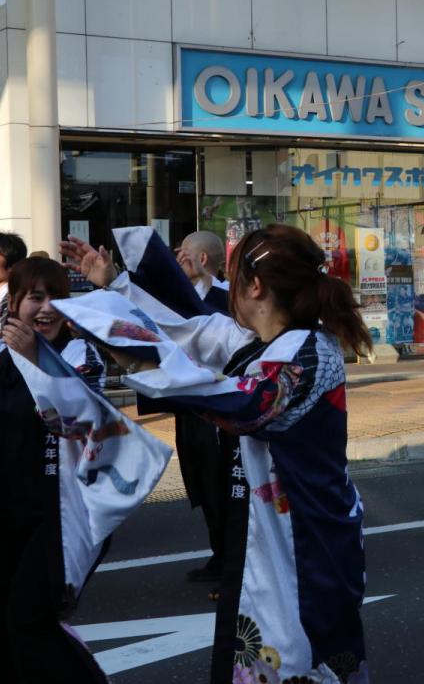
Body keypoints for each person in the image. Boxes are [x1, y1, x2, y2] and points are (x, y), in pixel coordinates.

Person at [59, 225, 371, 684]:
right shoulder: (266, 344)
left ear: (255, 287)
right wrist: (114, 286)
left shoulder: (305, 356)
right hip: (276, 535)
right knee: (267, 651)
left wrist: (120, 338)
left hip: (305, 540)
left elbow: (238, 403)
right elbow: (193, 331)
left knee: (302, 659)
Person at [0, 257, 170, 683]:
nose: (46, 309)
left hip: (56, 517)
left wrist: (37, 359)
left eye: (55, 298)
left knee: (30, 620)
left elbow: (81, 417)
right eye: (34, 298)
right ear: (14, 304)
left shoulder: (79, 357)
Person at [169, 230, 231, 588]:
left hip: (217, 406)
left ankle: (228, 558)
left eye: (184, 254)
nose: (178, 259)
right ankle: (218, 551)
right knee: (199, 482)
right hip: (186, 402)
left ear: (203, 259)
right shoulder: (178, 298)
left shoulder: (226, 300)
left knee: (219, 482)